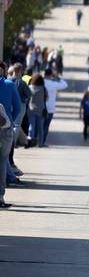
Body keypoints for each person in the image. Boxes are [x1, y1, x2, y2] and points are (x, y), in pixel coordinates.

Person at [0, 62, 24, 208]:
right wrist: (10, 120)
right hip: (5, 129)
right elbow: (18, 107)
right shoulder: (9, 84)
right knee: (3, 161)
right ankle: (0, 197)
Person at [42, 68, 68, 147]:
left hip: (40, 107)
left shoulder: (40, 82)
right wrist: (57, 77)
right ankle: (42, 141)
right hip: (50, 108)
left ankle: (38, 140)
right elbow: (65, 84)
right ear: (51, 75)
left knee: (40, 125)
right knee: (46, 126)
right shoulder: (53, 84)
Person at [27, 74, 46, 148]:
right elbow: (46, 97)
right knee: (40, 127)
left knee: (31, 126)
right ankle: (40, 143)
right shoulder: (43, 88)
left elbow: (27, 97)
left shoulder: (30, 87)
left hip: (31, 109)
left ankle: (30, 141)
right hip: (41, 109)